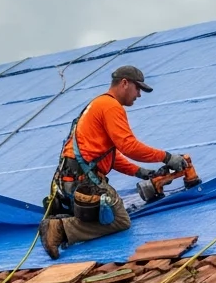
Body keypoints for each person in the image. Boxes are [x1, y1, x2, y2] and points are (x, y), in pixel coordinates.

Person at [38, 65, 183, 259]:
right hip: (84, 181)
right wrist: (167, 157)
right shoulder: (111, 106)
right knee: (119, 220)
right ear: (124, 83)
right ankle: (60, 229)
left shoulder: (98, 104)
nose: (139, 94)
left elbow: (108, 156)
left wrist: (140, 172)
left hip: (71, 178)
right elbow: (129, 145)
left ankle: (64, 223)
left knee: (104, 214)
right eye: (137, 88)